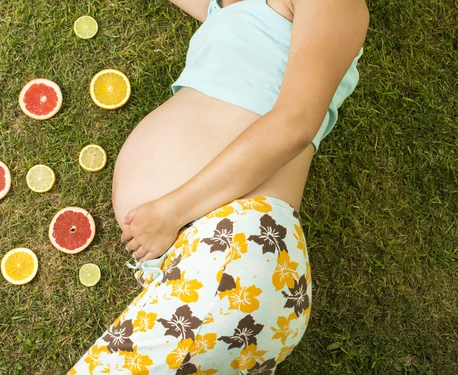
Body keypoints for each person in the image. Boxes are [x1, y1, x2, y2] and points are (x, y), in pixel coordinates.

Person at [69, 0, 369, 373]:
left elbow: (295, 125)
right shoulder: (227, 7)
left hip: (238, 239)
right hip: (201, 260)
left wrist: (172, 211)